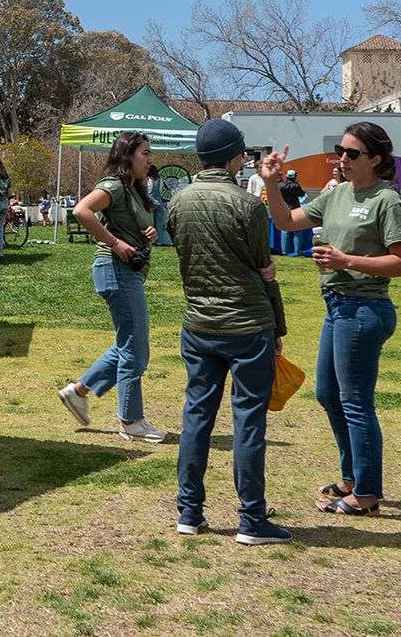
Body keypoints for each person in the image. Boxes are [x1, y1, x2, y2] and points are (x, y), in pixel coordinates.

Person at [262, 121, 401, 516]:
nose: (342, 160)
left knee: (355, 402)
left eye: (352, 154)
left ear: (376, 159)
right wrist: (273, 184)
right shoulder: (337, 194)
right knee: (329, 394)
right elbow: (285, 222)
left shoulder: (387, 200)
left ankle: (366, 493)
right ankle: (351, 477)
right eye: (341, 152)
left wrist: (347, 260)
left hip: (365, 309)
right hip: (337, 307)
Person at [167, 119, 291, 545]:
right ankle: (251, 519)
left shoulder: (177, 201)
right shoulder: (246, 205)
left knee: (196, 417)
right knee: (248, 421)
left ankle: (189, 511)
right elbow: (264, 268)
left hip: (199, 322)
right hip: (247, 322)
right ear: (237, 157)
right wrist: (278, 323)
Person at [57, 131, 165, 443]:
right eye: (145, 153)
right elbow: (81, 211)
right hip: (114, 270)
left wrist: (147, 236)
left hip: (128, 272)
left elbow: (130, 227)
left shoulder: (135, 190)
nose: (149, 159)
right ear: (127, 155)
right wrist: (116, 243)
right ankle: (130, 420)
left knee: (127, 345)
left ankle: (77, 392)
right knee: (135, 348)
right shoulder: (114, 185)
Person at [278, 171, 312, 257]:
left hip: (284, 208)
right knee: (297, 231)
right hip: (295, 208)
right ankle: (297, 252)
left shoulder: (280, 185)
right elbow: (302, 194)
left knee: (284, 230)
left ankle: (284, 251)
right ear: (294, 177)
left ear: (287, 176)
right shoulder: (296, 186)